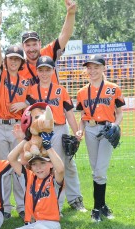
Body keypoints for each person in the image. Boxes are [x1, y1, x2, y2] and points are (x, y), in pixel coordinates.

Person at [8, 126, 86, 229]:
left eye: (42, 163)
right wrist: (25, 139)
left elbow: (61, 169)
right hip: (34, 225)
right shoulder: (29, 178)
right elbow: (11, 159)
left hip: (51, 224)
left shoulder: (54, 180)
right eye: (35, 165)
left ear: (50, 164)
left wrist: (49, 147)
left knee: (40, 228)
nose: (39, 168)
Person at [27, 56, 86, 214]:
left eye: (48, 70)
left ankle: (69, 201)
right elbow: (31, 113)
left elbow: (68, 112)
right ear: (37, 71)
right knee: (46, 167)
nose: (44, 73)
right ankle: (51, 204)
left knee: (64, 166)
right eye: (41, 70)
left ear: (53, 71)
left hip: (59, 129)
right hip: (41, 132)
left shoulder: (60, 90)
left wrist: (76, 132)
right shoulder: (32, 90)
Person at [75, 54, 125, 222]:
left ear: (103, 68)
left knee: (100, 170)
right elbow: (82, 115)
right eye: (89, 67)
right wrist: (79, 131)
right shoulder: (82, 92)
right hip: (89, 129)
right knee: (95, 169)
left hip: (106, 129)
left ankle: (96, 209)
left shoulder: (113, 88)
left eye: (96, 67)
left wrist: (115, 125)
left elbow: (119, 113)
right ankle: (102, 206)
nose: (92, 70)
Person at [0, 14, 30, 219]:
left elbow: (37, 101)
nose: (13, 61)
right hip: (0, 126)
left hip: (18, 127)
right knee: (3, 166)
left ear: (21, 62)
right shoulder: (0, 74)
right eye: (10, 58)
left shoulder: (26, 80)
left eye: (17, 59)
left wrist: (26, 103)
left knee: (20, 166)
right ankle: (4, 207)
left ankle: (23, 206)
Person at [20, 0, 77, 86]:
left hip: (55, 98)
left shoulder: (48, 52)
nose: (31, 49)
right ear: (23, 46)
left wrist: (71, 13)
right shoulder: (19, 67)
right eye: (28, 45)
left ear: (40, 44)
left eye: (34, 44)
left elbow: (65, 35)